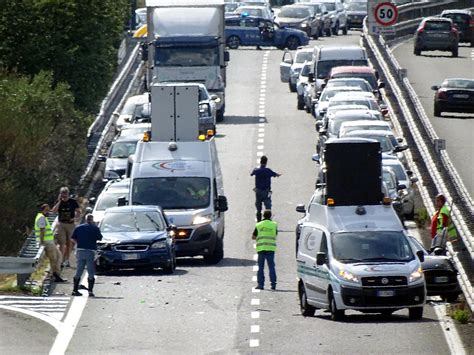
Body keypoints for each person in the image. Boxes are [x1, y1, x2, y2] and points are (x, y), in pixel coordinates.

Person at [71, 214, 103, 297]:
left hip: (80, 250)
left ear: (85, 219)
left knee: (79, 270)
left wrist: (78, 243)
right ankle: (90, 291)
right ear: (92, 220)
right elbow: (100, 238)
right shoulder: (95, 228)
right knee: (90, 271)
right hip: (90, 251)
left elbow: (73, 238)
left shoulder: (79, 227)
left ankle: (75, 290)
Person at [34, 204, 66, 283]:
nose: (48, 212)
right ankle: (55, 275)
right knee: (54, 259)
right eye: (46, 210)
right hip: (46, 242)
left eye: (49, 210)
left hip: (49, 241)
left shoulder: (44, 218)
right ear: (42, 210)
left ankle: (55, 274)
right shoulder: (41, 218)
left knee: (58, 256)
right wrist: (41, 242)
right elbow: (42, 230)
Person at [52, 187, 81, 267]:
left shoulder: (73, 202)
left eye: (65, 194)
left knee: (69, 243)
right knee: (61, 242)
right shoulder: (59, 202)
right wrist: (59, 202)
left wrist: (75, 218)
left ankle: (67, 259)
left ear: (68, 194)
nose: (64, 196)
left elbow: (78, 211)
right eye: (62, 194)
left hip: (70, 224)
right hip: (61, 224)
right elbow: (54, 211)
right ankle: (60, 260)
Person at [252, 210, 278, 290]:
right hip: (270, 248)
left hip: (261, 248)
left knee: (260, 267)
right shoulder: (274, 225)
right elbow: (275, 234)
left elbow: (253, 237)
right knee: (271, 267)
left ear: (263, 216)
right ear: (270, 216)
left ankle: (261, 285)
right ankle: (273, 285)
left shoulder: (258, 225)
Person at [251, 155, 281, 222]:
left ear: (260, 162)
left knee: (258, 206)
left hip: (258, 191)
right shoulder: (268, 170)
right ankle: (268, 219)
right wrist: (278, 175)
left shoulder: (256, 170)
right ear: (266, 162)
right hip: (266, 191)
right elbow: (275, 174)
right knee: (268, 205)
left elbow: (251, 174)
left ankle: (258, 220)